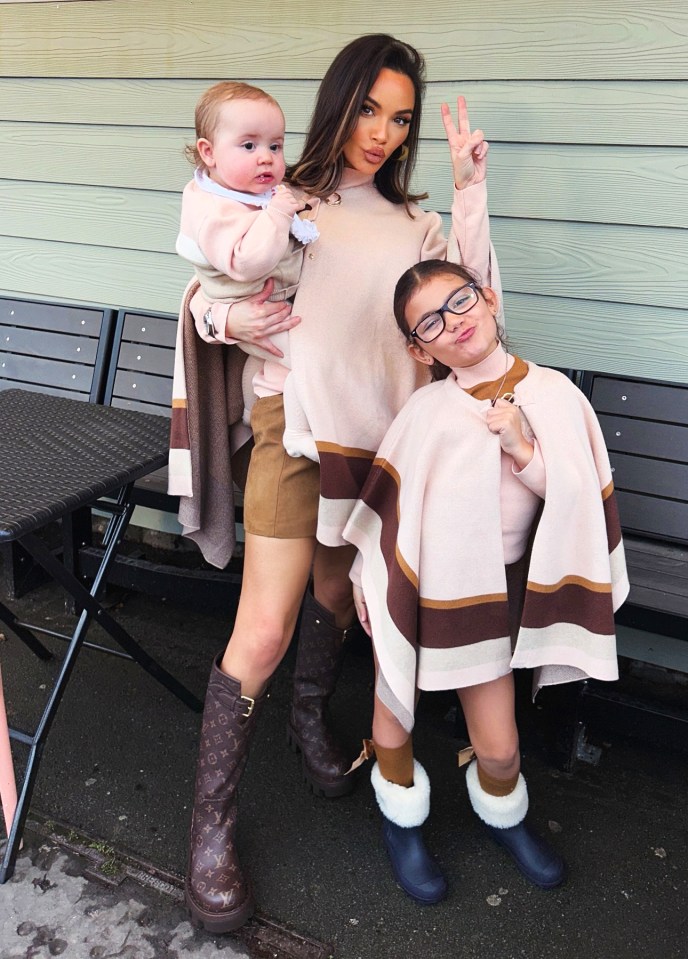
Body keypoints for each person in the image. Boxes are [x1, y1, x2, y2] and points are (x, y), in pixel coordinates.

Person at [178, 35, 499, 933]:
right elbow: (207, 282)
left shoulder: (415, 227)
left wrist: (470, 191)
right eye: (370, 109)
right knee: (265, 626)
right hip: (297, 431)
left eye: (400, 119)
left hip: (379, 445)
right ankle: (208, 832)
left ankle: (311, 720)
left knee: (331, 593)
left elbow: (475, 303)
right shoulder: (289, 197)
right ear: (338, 102)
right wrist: (220, 310)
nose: (384, 133)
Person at [343, 259, 630, 904]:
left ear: (490, 298)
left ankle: (504, 813)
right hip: (422, 588)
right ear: (422, 348)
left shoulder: (555, 395)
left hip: (497, 596)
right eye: (432, 322)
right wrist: (368, 577)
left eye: (462, 300)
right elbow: (389, 510)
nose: (456, 321)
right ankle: (401, 821)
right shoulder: (427, 411)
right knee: (395, 709)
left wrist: (522, 447)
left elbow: (577, 504)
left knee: (500, 752)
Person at [175, 80, 317, 455]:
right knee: (308, 362)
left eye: (276, 145)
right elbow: (250, 261)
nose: (266, 157)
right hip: (256, 303)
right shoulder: (215, 210)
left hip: (262, 315)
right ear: (209, 152)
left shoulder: (245, 192)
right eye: (249, 145)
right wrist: (280, 213)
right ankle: (299, 432)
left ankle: (250, 423)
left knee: (260, 370)